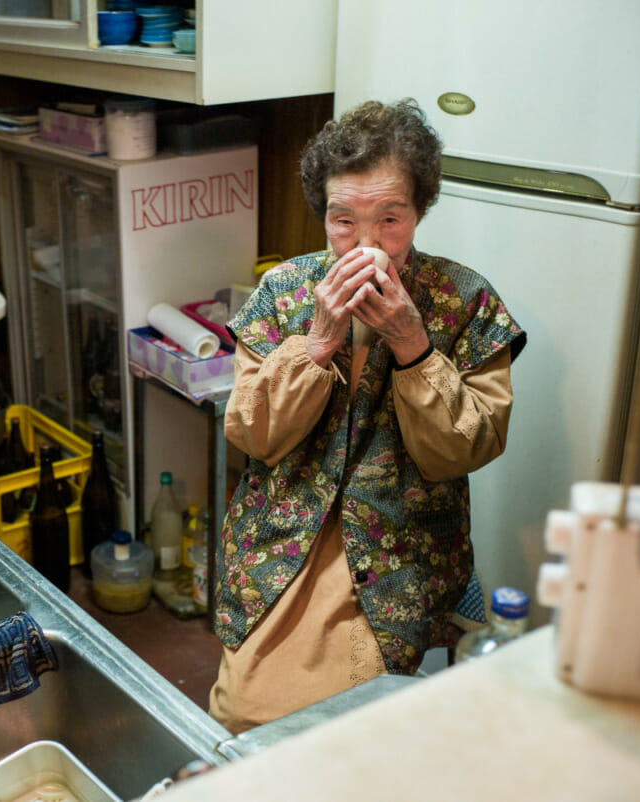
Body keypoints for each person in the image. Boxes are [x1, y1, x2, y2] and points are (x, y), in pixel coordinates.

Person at [208, 99, 526, 734]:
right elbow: (251, 434)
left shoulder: (465, 301)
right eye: (343, 221)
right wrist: (319, 341)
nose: (368, 243)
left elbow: (463, 449)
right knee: (244, 717)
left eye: (391, 218)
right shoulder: (285, 292)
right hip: (280, 543)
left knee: (346, 731)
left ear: (420, 210)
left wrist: (413, 345)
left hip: (397, 554)